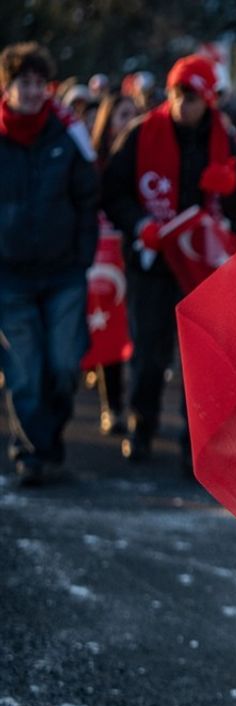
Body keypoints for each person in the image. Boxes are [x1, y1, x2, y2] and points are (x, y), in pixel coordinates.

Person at [101, 54, 236, 469]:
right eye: (176, 94)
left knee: (202, 358)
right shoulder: (142, 133)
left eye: (190, 96)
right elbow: (112, 190)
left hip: (204, 267)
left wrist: (231, 189)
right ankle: (143, 424)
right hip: (153, 262)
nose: (182, 104)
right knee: (150, 353)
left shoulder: (225, 139)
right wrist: (139, 224)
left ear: (207, 98)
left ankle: (197, 439)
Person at [0, 42, 100, 485]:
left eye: (40, 83)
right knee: (24, 370)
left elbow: (87, 198)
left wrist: (82, 258)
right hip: (10, 276)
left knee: (62, 366)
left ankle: (47, 439)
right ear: (7, 88)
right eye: (24, 83)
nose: (33, 91)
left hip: (63, 274)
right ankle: (31, 453)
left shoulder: (68, 134)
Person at [87, 92, 141, 436]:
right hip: (103, 259)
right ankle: (114, 405)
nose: (131, 122)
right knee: (109, 332)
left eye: (135, 115)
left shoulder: (148, 158)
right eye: (123, 114)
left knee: (139, 335)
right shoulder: (91, 162)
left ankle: (136, 405)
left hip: (140, 257)